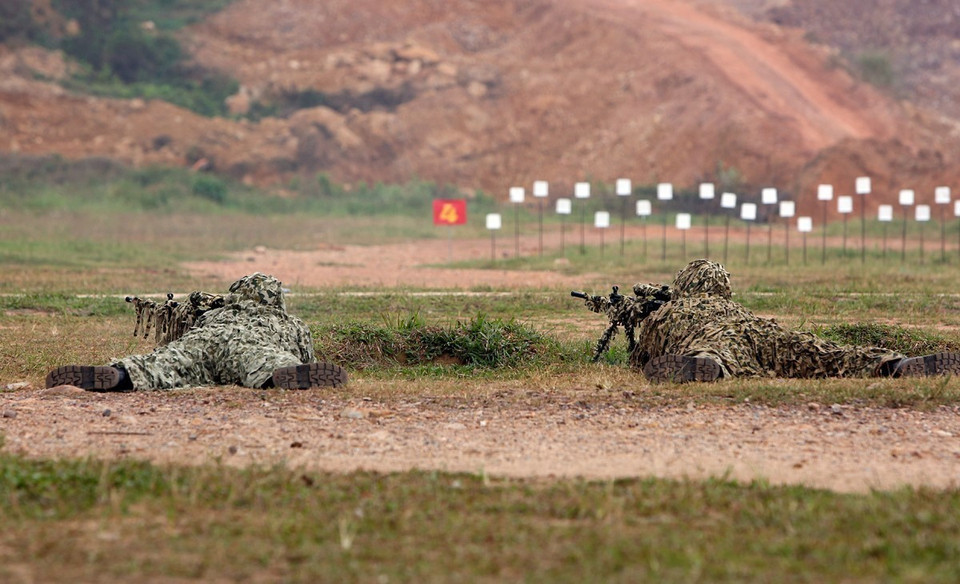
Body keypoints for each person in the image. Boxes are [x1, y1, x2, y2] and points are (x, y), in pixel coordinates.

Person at [625, 259, 960, 383]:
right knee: (823, 354)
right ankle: (894, 365)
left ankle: (703, 366)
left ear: (684, 284)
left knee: (711, 354)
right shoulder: (734, 308)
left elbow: (644, 356)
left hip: (710, 339)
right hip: (758, 331)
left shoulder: (670, 312)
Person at [45, 273, 347, 391]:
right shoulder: (291, 324)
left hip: (205, 341)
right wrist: (302, 366)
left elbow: (183, 334)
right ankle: (281, 377)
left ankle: (119, 374)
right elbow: (306, 356)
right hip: (252, 346)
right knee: (269, 361)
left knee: (164, 362)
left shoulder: (219, 313)